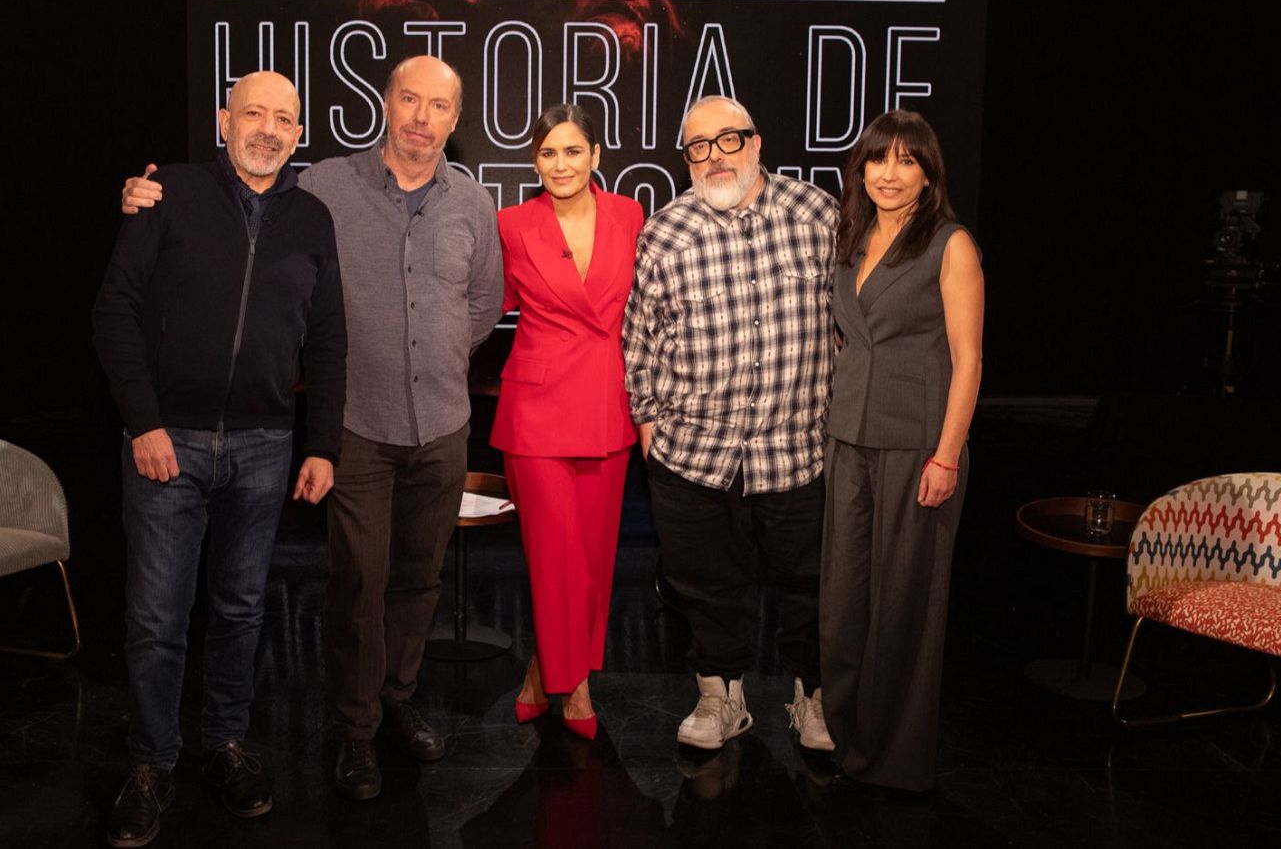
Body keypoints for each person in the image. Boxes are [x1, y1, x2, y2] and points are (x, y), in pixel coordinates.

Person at [119, 56, 502, 801]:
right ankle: (353, 730)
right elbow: (239, 201)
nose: (423, 118)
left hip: (443, 423)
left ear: (455, 122)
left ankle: (397, 698)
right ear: (385, 106)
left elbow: (484, 302)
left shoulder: (472, 202)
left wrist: (440, 353)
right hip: (356, 422)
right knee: (356, 582)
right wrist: (142, 195)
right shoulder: (324, 184)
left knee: (418, 579)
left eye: (440, 107)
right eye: (410, 100)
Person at [92, 70, 346, 847]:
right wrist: (144, 423)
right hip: (169, 442)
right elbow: (115, 312)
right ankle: (150, 762)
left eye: (286, 119)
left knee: (240, 609)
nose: (269, 129)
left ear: (300, 134)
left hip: (268, 447)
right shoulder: (167, 194)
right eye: (255, 114)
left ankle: (225, 743)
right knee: (156, 619)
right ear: (223, 120)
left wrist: (323, 443)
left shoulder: (312, 218)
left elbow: (329, 339)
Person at [622, 95, 838, 753]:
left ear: (757, 142)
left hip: (796, 447)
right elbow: (641, 339)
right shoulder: (666, 230)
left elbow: (851, 324)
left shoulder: (817, 215)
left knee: (810, 585)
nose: (715, 157)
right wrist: (649, 425)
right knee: (704, 584)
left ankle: (814, 699)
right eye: (697, 147)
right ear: (684, 158)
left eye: (728, 140)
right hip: (693, 454)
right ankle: (720, 698)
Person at [819, 108, 983, 792]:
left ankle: (896, 758)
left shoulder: (950, 245)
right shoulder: (849, 237)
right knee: (843, 602)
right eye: (878, 159)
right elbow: (844, 337)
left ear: (927, 173)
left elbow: (968, 359)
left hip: (918, 446)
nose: (890, 174)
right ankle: (849, 731)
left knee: (905, 606)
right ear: (861, 168)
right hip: (847, 438)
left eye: (906, 160)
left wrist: (947, 455)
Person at [491, 103, 644, 740]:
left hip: (608, 404)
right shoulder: (509, 224)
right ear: (535, 161)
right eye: (548, 153)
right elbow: (477, 301)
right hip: (537, 409)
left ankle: (540, 670)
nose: (561, 164)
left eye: (573, 151)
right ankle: (574, 686)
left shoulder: (629, 215)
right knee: (553, 556)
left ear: (596, 156)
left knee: (593, 558)